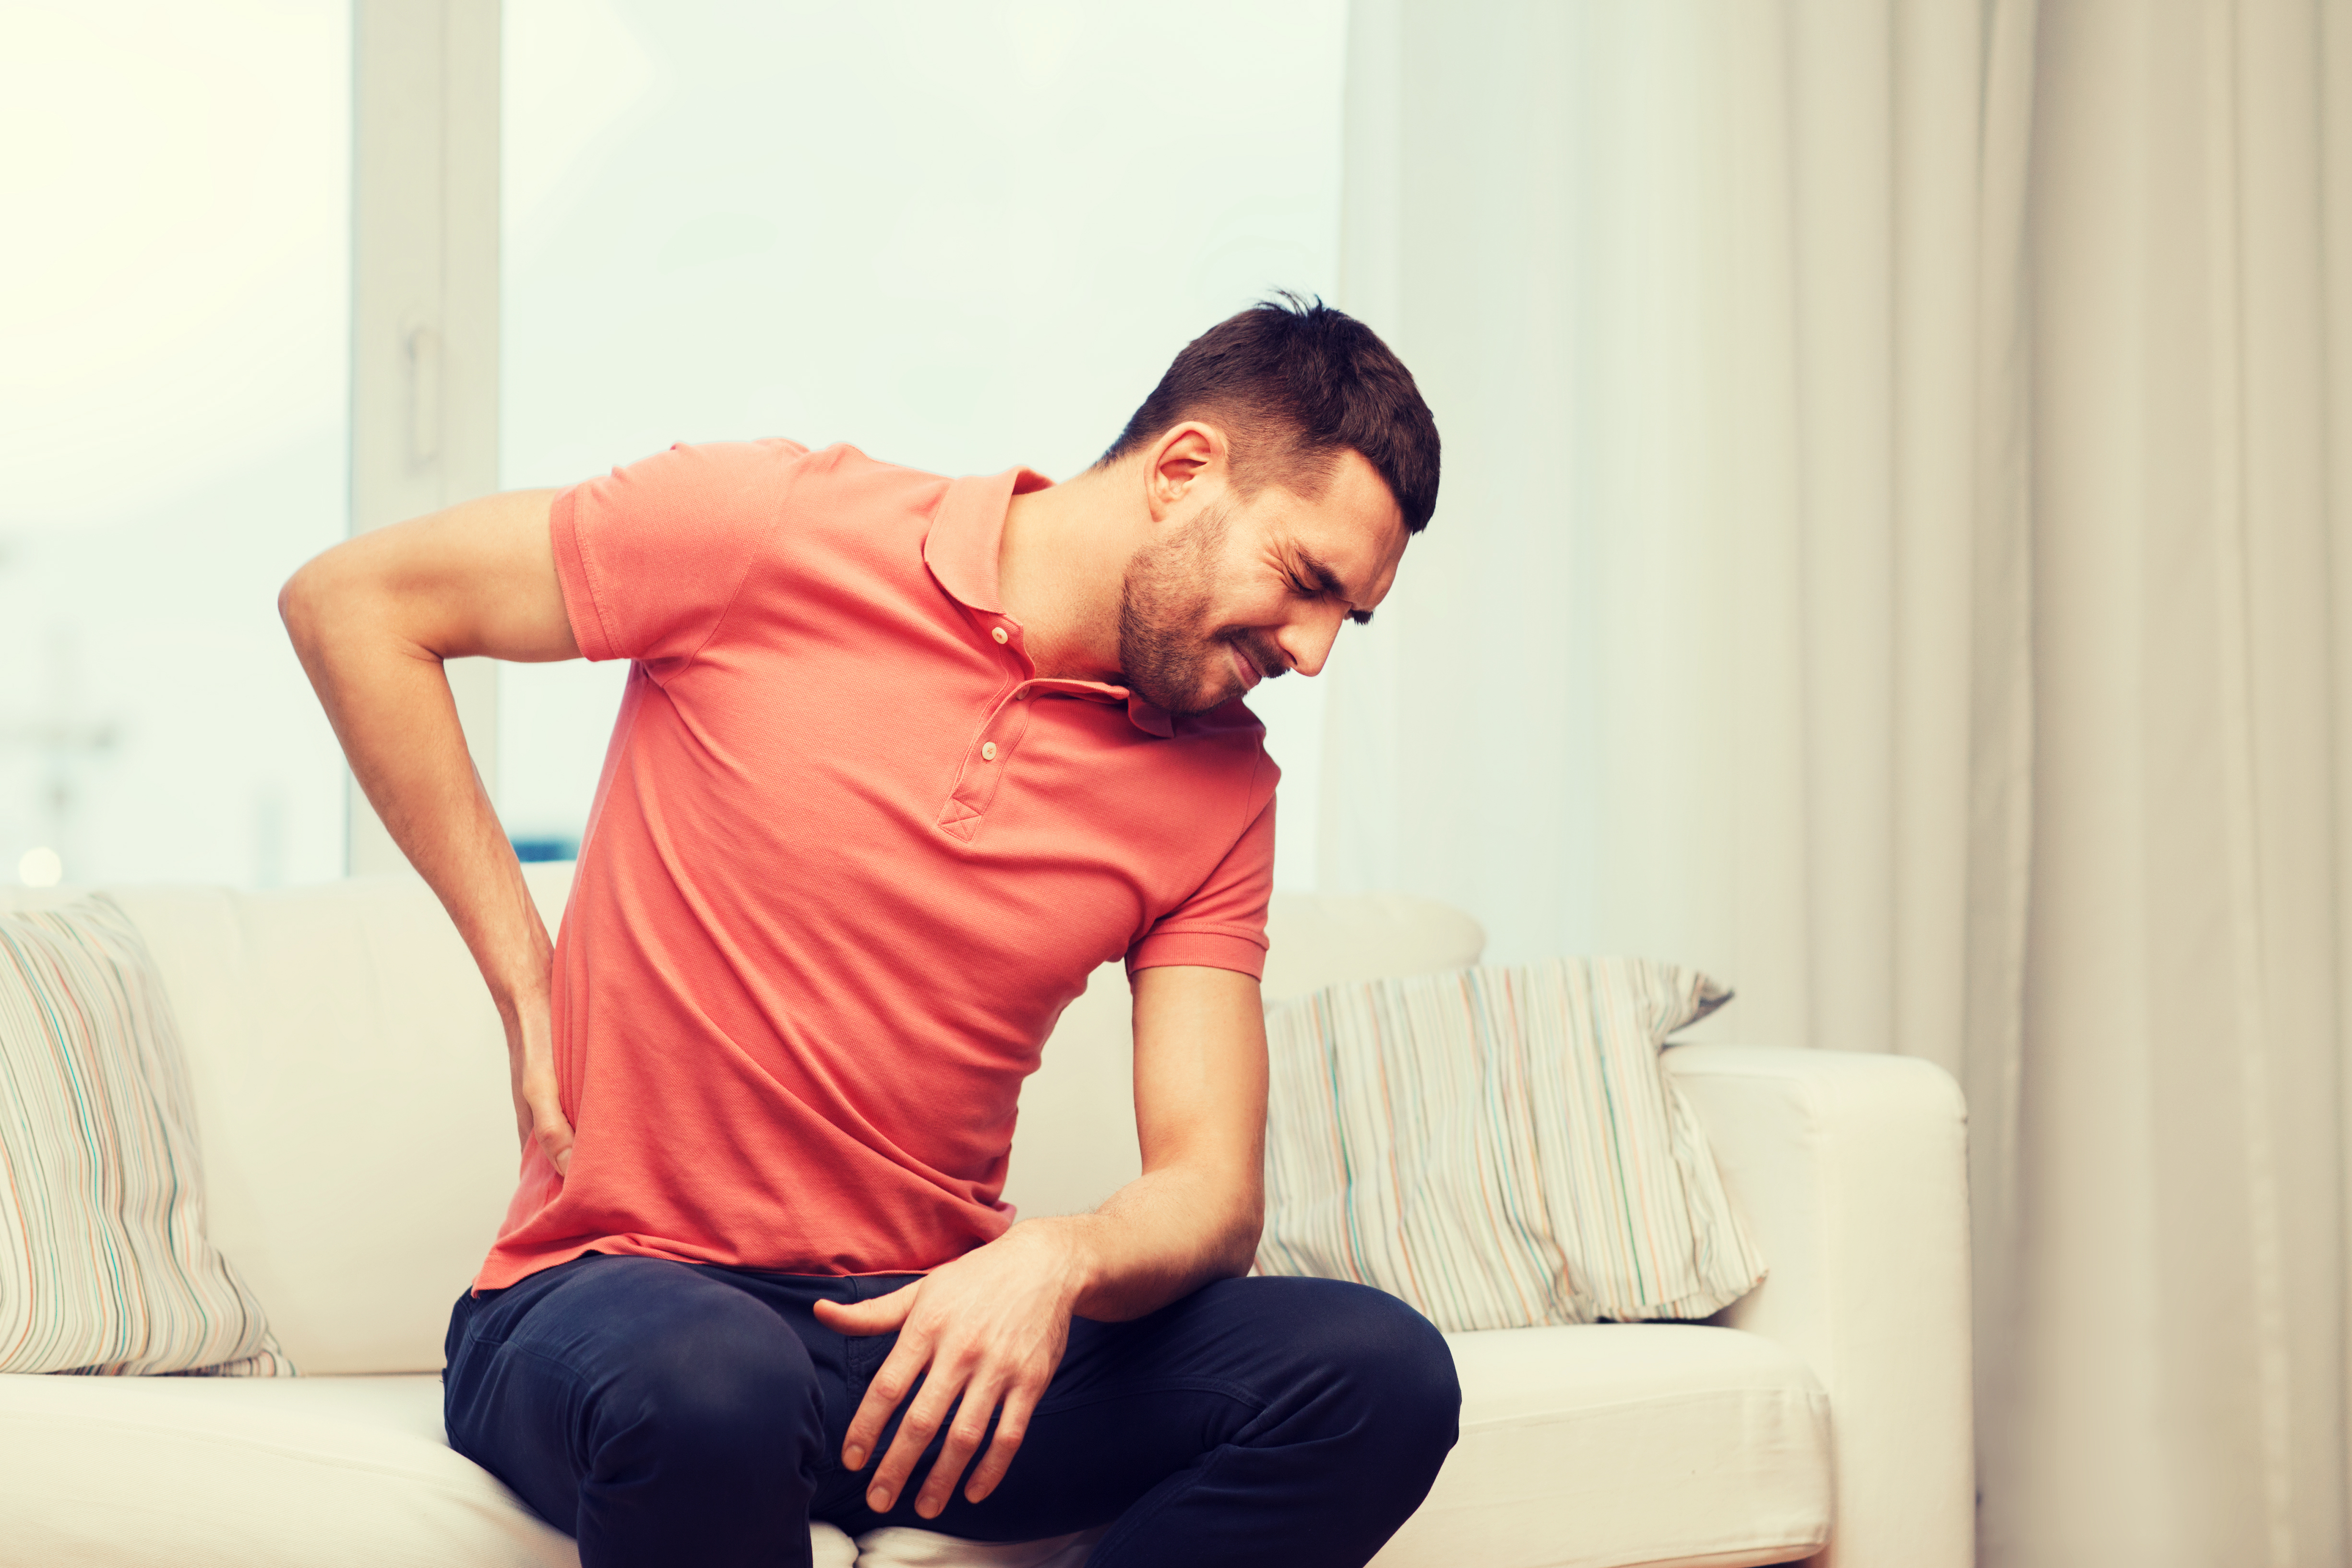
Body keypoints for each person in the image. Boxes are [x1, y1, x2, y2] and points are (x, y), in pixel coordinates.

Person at [281, 295, 1457, 1568]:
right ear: (1184, 471)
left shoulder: (1223, 786)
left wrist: (1056, 1259)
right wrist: (526, 974)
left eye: (1353, 616)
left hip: (912, 1353)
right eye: (1307, 580)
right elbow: (355, 604)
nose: (1317, 651)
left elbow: (1212, 1194)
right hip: (615, 1299)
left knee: (1377, 1374)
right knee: (713, 1378)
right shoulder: (769, 529)